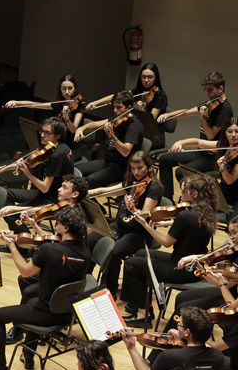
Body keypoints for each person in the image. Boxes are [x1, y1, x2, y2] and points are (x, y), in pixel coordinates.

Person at [0, 206, 91, 370]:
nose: (55, 228)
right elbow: (58, 248)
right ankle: (28, 356)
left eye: (57, 224)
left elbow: (25, 271)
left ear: (66, 228)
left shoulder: (48, 250)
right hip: (67, 314)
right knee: (30, 300)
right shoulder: (85, 252)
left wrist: (12, 246)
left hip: (46, 314)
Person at [120, 174, 217, 323]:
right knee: (141, 253)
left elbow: (166, 242)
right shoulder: (206, 211)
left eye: (184, 191)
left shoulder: (184, 216)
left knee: (132, 264)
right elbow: (190, 228)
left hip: (181, 269)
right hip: (194, 265)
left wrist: (145, 225)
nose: (180, 195)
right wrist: (167, 224)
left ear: (194, 194)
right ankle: (140, 302)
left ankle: (142, 314)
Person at [85, 151, 161, 298]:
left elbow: (144, 215)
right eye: (133, 168)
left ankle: (109, 292)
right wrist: (87, 193)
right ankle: (86, 282)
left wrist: (131, 208)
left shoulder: (154, 188)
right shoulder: (132, 183)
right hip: (121, 226)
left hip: (139, 232)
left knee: (113, 253)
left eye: (140, 168)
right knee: (90, 240)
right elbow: (107, 191)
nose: (136, 172)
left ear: (148, 167)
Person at [169, 215, 238, 317]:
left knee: (183, 307)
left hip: (234, 300)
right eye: (230, 233)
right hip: (229, 291)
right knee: (181, 297)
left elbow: (225, 285)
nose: (231, 236)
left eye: (234, 232)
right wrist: (207, 270)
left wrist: (203, 272)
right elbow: (223, 261)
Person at [157, 72, 233, 198]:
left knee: (181, 172)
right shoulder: (210, 104)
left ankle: (191, 201)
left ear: (221, 88)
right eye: (206, 90)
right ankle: (167, 199)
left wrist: (202, 117)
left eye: (210, 90)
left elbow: (210, 135)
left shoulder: (225, 109)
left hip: (213, 157)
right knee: (165, 159)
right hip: (201, 152)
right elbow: (186, 112)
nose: (208, 93)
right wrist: (169, 115)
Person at [0, 117, 74, 232]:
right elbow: (27, 163)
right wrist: (2, 169)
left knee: (10, 213)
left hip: (53, 200)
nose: (42, 135)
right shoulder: (53, 147)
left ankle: (23, 244)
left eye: (47, 133)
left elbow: (45, 187)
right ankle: (20, 234)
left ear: (57, 136)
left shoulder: (57, 156)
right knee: (7, 194)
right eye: (42, 131)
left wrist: (27, 173)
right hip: (44, 194)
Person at [167, 116, 238, 217]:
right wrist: (181, 142)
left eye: (237, 131)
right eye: (230, 131)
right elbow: (199, 142)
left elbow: (229, 180)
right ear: (225, 133)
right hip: (223, 194)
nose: (233, 135)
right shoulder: (224, 146)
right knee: (192, 208)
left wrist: (222, 168)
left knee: (235, 223)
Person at [74, 91, 143, 188]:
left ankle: (89, 202)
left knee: (90, 180)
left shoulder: (134, 127)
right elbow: (96, 124)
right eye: (114, 107)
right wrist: (82, 128)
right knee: (75, 171)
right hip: (108, 162)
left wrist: (112, 136)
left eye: (119, 107)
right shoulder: (118, 118)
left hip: (122, 168)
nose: (115, 110)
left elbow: (125, 151)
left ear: (129, 108)